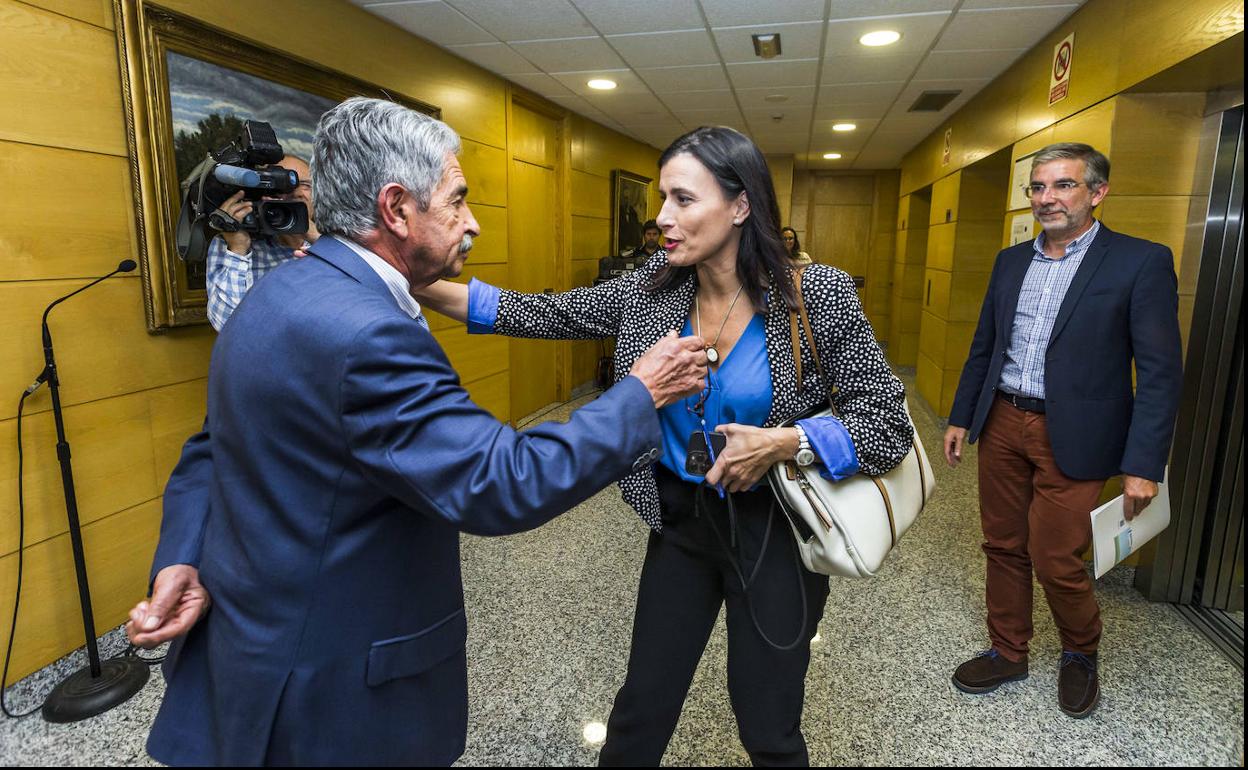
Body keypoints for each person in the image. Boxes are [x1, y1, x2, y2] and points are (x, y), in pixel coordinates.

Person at [124, 97, 709, 766]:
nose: (474, 223)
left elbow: (212, 447)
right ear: (397, 209)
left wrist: (180, 556)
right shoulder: (369, 333)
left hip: (253, 651)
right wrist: (641, 393)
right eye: (457, 201)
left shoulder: (276, 293)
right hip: (331, 692)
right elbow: (503, 481)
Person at [416, 126, 914, 765]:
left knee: (768, 726)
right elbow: (538, 313)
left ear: (740, 207)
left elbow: (887, 421)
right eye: (661, 199)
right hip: (682, 522)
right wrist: (404, 280)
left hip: (777, 532)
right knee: (641, 712)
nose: (661, 218)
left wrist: (789, 441)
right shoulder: (654, 286)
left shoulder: (813, 296)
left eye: (682, 200)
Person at [943, 142, 1183, 718]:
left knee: (1054, 555)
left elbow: (1159, 372)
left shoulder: (1139, 261)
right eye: (1038, 187)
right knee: (1002, 544)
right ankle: (1008, 650)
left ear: (1097, 192)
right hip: (1002, 419)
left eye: (1063, 185)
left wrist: (1144, 464)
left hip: (1079, 433)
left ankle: (1080, 651)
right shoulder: (1010, 262)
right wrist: (960, 415)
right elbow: (985, 347)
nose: (1046, 198)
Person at [205, 154, 319, 330]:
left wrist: (317, 239)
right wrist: (238, 247)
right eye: (281, 185)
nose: (295, 192)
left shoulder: (333, 240)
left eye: (305, 185)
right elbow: (226, 325)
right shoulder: (234, 244)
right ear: (262, 194)